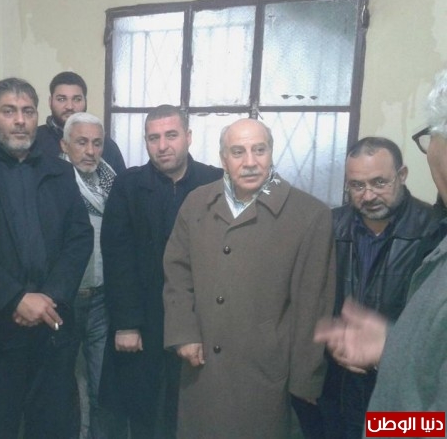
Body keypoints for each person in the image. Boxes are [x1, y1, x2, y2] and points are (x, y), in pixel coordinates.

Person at [0, 77, 93, 439]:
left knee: (55, 427)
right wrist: (16, 298)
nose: (20, 120)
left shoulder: (59, 170)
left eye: (28, 111)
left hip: (52, 328)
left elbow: (79, 237)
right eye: (9, 111)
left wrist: (50, 296)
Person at [163, 118, 335, 439]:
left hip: (265, 371)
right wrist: (183, 332)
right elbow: (177, 271)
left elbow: (313, 304)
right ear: (223, 158)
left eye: (259, 150)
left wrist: (305, 381)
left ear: (271, 152)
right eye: (238, 152)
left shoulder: (309, 215)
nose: (250, 161)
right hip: (202, 367)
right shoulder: (197, 202)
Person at [315, 68, 447, 430]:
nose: (368, 195)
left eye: (379, 182)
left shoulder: (434, 230)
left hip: (400, 392)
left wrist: (392, 348)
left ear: (402, 176)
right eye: (357, 186)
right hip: (337, 381)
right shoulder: (328, 227)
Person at [99, 104, 222, 438]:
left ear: (188, 137)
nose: (163, 145)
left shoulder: (214, 182)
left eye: (171, 135)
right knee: (144, 412)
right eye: (153, 138)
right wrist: (126, 322)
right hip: (144, 315)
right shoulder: (129, 185)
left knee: (194, 408)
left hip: (200, 316)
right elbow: (117, 256)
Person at [60, 112, 117, 439]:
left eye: (97, 143)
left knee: (101, 388)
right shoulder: (52, 183)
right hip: (62, 303)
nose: (90, 151)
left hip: (101, 300)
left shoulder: (113, 183)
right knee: (60, 388)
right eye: (82, 142)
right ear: (65, 145)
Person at [35, 71, 126, 174]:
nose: (69, 106)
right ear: (50, 101)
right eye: (61, 99)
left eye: (77, 99)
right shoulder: (36, 141)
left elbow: (122, 183)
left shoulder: (107, 146)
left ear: (85, 101)